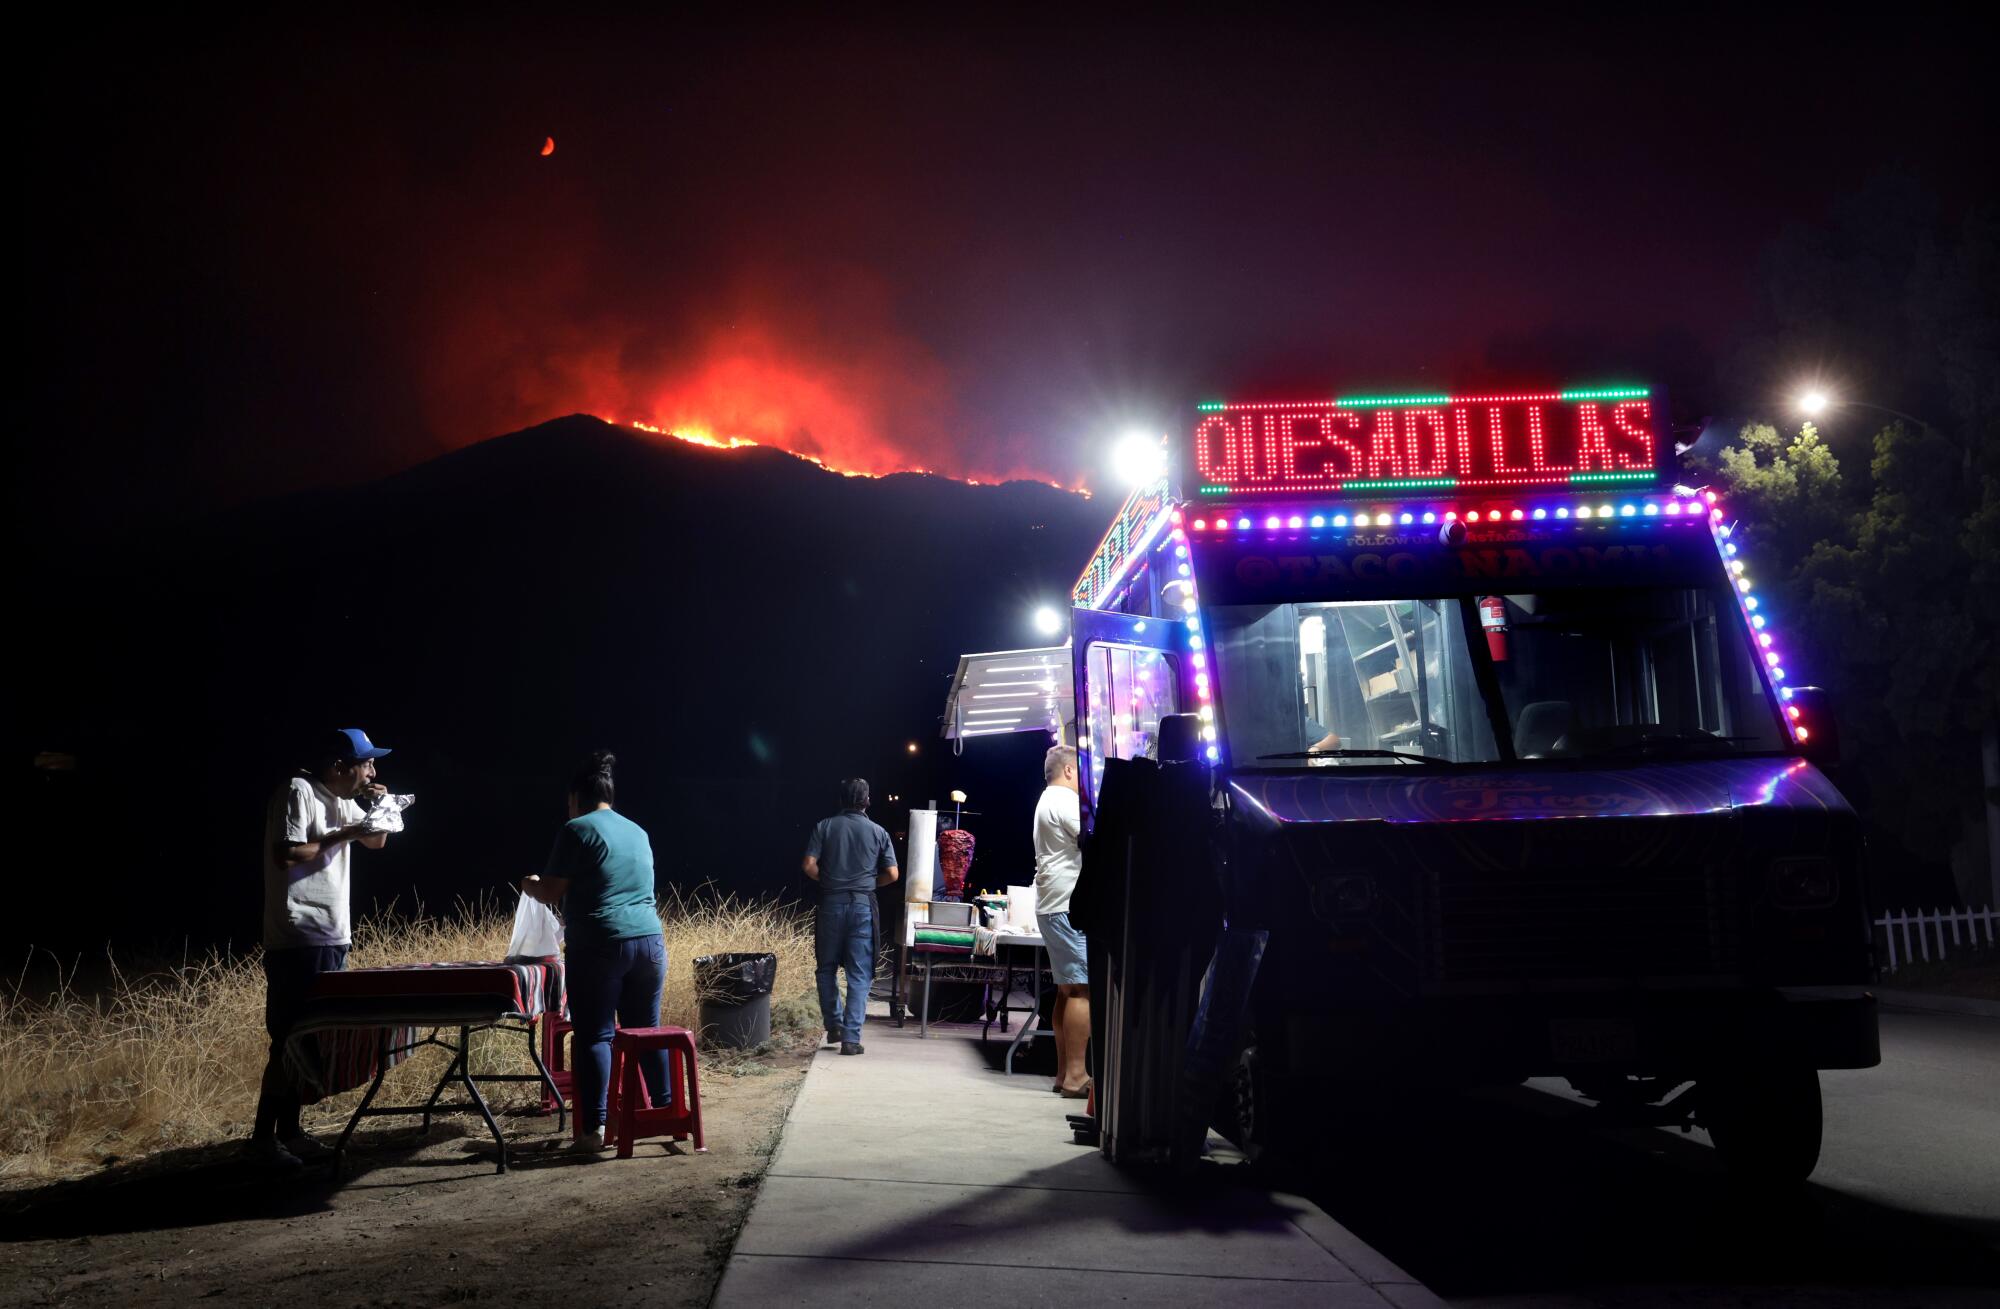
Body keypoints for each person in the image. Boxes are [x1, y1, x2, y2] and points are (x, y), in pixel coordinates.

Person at [250, 728, 393, 1170]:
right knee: (288, 1038)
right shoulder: (298, 791)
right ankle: (261, 1141)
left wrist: (376, 806)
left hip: (333, 934)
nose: (373, 770)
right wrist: (340, 834)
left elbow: (377, 841)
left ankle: (289, 1132)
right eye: (366, 763)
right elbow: (287, 854)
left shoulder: (344, 800)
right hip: (299, 934)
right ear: (338, 766)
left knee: (311, 1038)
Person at [523, 750, 669, 1155]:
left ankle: (594, 1131)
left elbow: (551, 891)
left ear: (575, 798)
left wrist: (529, 884)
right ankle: (664, 1111)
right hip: (651, 943)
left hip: (601, 945)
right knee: (645, 1030)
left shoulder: (576, 829)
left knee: (595, 1035)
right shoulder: (637, 831)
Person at [803, 778, 899, 1055]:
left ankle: (833, 1025)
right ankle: (851, 1039)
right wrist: (869, 884)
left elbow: (808, 865)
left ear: (841, 800)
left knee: (826, 968)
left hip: (830, 904)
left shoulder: (825, 826)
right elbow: (893, 874)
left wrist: (830, 882)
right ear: (867, 801)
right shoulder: (878, 831)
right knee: (859, 973)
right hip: (861, 906)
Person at [1034, 745, 1091, 1097]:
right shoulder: (1065, 801)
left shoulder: (1045, 800)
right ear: (1069, 770)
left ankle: (1062, 1074)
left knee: (1066, 989)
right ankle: (1076, 1076)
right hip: (1067, 903)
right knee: (1081, 989)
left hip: (1051, 903)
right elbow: (1091, 839)